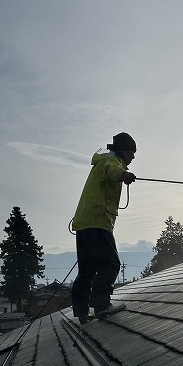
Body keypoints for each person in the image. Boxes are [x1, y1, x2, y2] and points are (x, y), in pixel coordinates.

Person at [71, 132, 137, 324]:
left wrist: (122, 172)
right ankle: (101, 305)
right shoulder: (111, 161)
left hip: (84, 222)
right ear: (123, 151)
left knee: (87, 270)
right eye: (131, 152)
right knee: (111, 263)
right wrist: (123, 175)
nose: (133, 157)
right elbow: (112, 170)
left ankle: (82, 313)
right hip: (98, 221)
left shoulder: (103, 161)